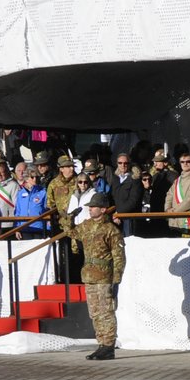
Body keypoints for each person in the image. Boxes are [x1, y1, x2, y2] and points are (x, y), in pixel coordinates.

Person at [72, 193, 125, 361]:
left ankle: (109, 346)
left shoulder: (111, 230)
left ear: (102, 209)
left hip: (104, 276)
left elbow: (119, 257)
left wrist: (116, 279)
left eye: (93, 207)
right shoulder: (86, 226)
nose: (90, 209)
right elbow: (71, 233)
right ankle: (101, 344)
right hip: (89, 274)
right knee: (94, 312)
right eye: (90, 206)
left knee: (106, 311)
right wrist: (68, 219)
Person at [165, 151, 190, 237]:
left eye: (188, 161)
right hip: (176, 220)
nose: (185, 163)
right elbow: (169, 194)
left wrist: (175, 211)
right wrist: (168, 209)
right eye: (182, 162)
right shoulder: (178, 179)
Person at [109, 154, 141, 237]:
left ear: (129, 164)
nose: (123, 165)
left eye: (125, 163)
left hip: (129, 218)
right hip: (115, 218)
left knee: (129, 244)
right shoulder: (115, 178)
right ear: (117, 164)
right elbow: (111, 198)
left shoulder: (135, 179)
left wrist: (118, 213)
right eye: (120, 163)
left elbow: (133, 201)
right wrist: (113, 214)